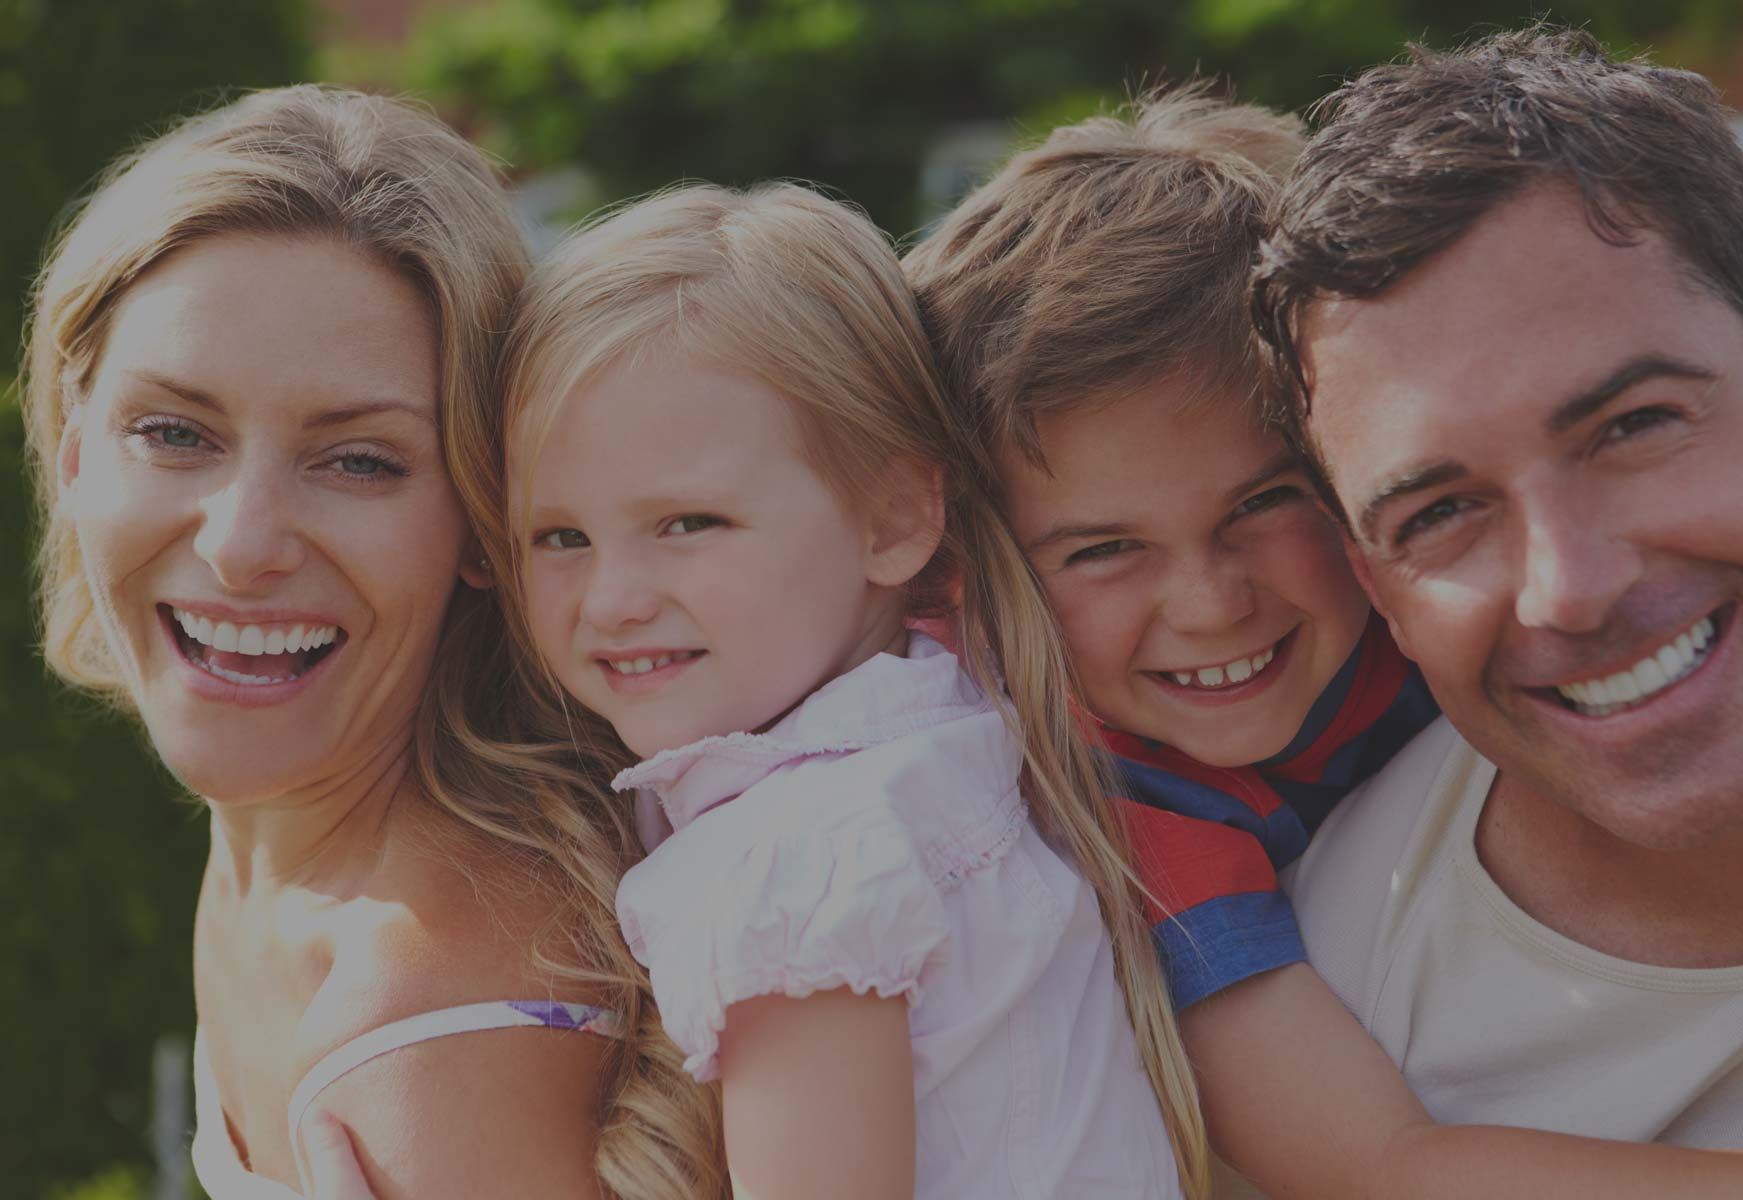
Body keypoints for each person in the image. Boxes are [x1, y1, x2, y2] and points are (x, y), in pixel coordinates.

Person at [907, 84, 1743, 1197]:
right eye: (1102, 550)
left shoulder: (1404, 581)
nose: (1209, 604)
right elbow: (1380, 1167)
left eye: (1266, 503)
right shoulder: (1121, 812)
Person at [1244, 23, 1743, 1194]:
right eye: (1441, 513)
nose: (1570, 585)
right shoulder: (1343, 1026)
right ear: (1377, 587)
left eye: (1635, 424)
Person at [22, 87, 721, 1199]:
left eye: (359, 461)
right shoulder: (281, 850)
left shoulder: (439, 1029)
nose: (242, 544)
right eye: (173, 432)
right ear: (74, 456)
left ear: (486, 521)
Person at [491, 181, 1207, 1199]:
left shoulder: (799, 860)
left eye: (688, 523)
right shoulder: (943, 730)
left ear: (895, 521)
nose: (611, 600)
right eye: (560, 536)